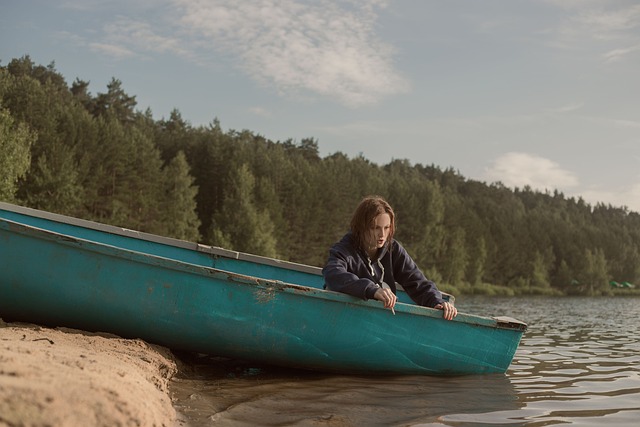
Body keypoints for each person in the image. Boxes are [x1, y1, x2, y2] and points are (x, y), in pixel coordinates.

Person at [322, 195, 457, 320]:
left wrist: (437, 302)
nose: (382, 234)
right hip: (345, 316)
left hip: (378, 320)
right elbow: (333, 273)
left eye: (386, 228)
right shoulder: (344, 249)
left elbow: (418, 283)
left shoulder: (393, 249)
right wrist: (371, 290)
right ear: (361, 227)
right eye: (375, 228)